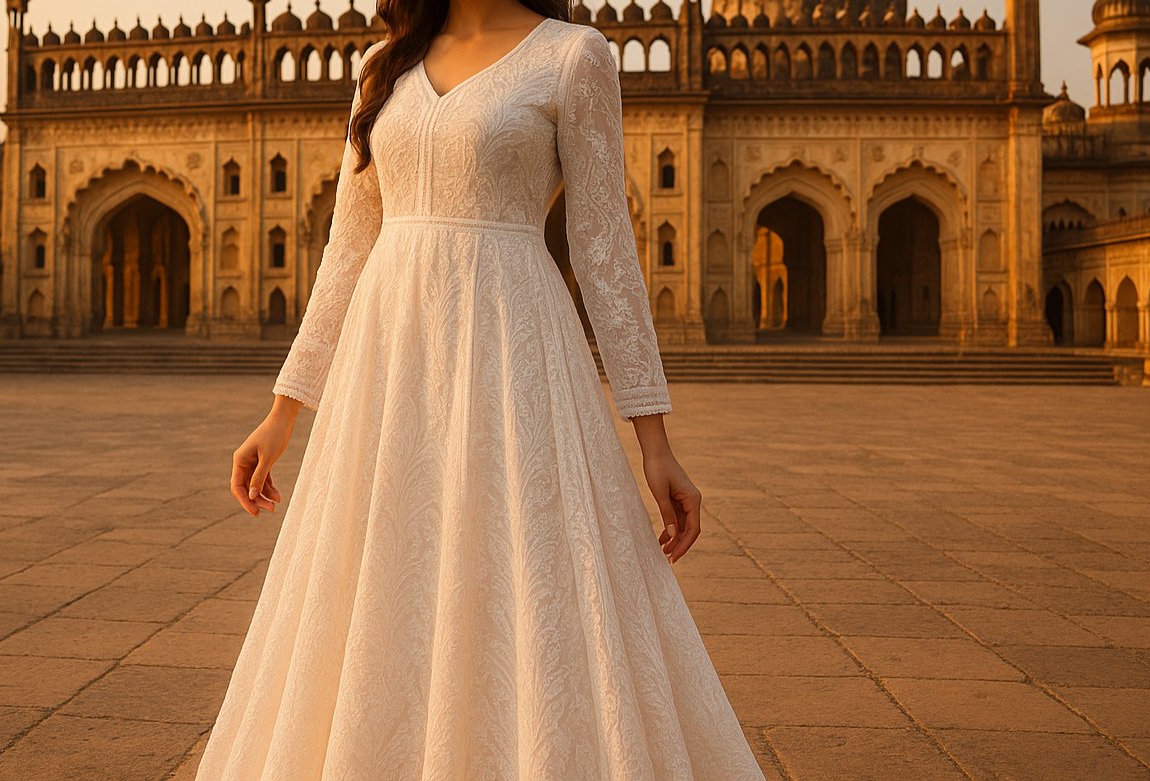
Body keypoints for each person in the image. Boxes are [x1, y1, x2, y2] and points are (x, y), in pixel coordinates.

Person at [200, 1, 764, 778]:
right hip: (388, 364)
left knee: (520, 577)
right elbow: (349, 247)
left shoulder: (574, 56)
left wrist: (654, 440)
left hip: (514, 353)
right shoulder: (382, 65)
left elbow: (604, 249)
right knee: (381, 580)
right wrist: (283, 411)